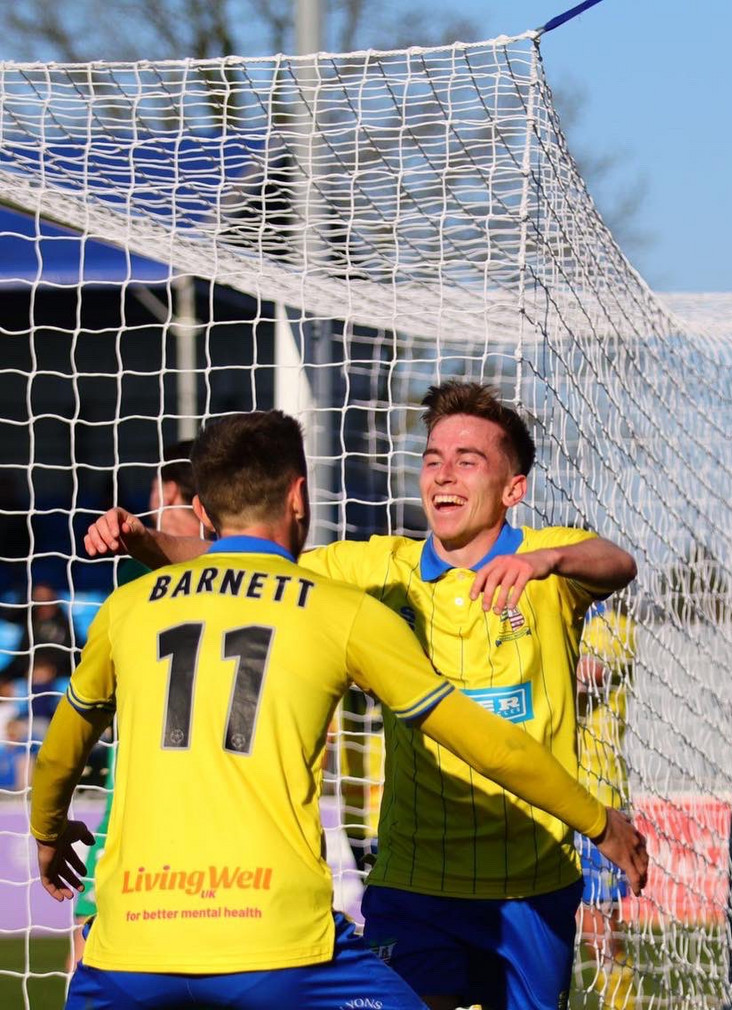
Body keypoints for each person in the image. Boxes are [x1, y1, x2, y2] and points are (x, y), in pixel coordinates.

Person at [34, 409, 647, 1010]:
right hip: (407, 881)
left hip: (531, 871)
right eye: (432, 459)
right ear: (300, 496)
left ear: (514, 488)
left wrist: (545, 562)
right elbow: (255, 564)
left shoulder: (553, 558)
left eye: (467, 461)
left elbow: (619, 562)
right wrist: (152, 542)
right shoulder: (369, 576)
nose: (444, 475)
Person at [72, 440, 207, 968]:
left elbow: (90, 701)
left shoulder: (134, 580)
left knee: (91, 953)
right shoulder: (263, 579)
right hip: (229, 799)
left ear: (172, 492)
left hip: (139, 793)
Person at [575, 600, 638, 1010]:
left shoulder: (616, 626)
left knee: (598, 924)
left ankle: (622, 1005)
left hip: (600, 797)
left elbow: (584, 678)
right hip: (549, 796)